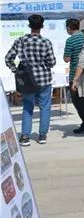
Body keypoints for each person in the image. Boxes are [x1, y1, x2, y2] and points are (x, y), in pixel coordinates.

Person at [5, 14, 56, 146]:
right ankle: (42, 136)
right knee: (45, 108)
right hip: (44, 80)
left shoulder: (20, 41)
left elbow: (8, 58)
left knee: (28, 108)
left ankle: (25, 137)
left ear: (29, 26)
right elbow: (51, 62)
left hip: (27, 81)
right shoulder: (46, 42)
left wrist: (16, 70)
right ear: (42, 26)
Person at [63, 18, 84, 134]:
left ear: (68, 28)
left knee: (78, 101)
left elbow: (66, 59)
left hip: (75, 74)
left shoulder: (70, 40)